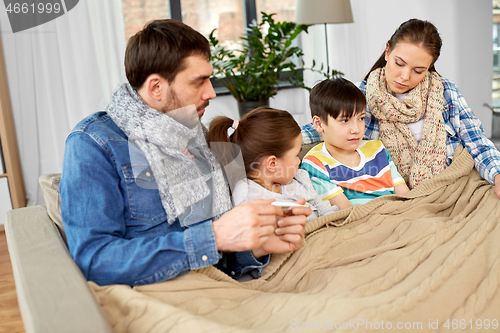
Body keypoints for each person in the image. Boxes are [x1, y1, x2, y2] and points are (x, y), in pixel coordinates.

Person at [59, 19, 311, 287]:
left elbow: (221, 257)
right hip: (163, 300)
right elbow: (95, 261)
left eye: (210, 78)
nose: (211, 92)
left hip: (224, 287)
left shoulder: (197, 135)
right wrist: (213, 237)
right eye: (199, 82)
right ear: (156, 87)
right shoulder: (94, 144)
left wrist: (256, 246)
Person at [301, 18, 500, 196]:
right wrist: (279, 140)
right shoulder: (364, 95)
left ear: (429, 68)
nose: (405, 77)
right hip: (398, 190)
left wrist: (498, 174)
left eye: (418, 70)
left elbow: (476, 140)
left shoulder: (444, 91)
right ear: (387, 51)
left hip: (454, 180)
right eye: (399, 63)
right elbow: (327, 124)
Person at [207, 107, 338, 222]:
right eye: (296, 155)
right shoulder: (247, 198)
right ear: (272, 163)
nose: (299, 161)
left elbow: (326, 211)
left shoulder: (299, 178)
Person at [301, 78, 410, 210]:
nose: (356, 129)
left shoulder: (377, 149)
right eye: (344, 120)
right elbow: (345, 211)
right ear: (319, 124)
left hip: (399, 214)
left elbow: (406, 197)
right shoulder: (315, 163)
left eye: (361, 118)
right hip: (360, 221)